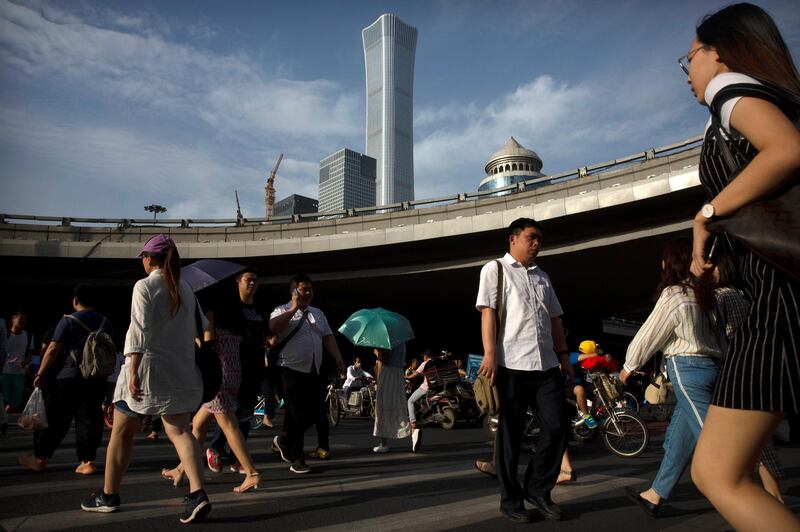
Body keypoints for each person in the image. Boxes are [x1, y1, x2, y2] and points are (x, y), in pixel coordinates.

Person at [680, 4, 800, 530]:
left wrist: (707, 214)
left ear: (718, 52)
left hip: (782, 297)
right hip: (776, 292)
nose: (689, 74)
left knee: (718, 472)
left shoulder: (728, 88)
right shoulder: (766, 91)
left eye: (690, 59)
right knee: (733, 469)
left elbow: (788, 149)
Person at [80, 235, 210, 523]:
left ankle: (108, 495)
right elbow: (205, 327)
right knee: (179, 431)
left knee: (122, 432)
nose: (141, 261)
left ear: (151, 259)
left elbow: (137, 330)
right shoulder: (186, 288)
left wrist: (134, 370)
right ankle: (197, 493)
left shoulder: (145, 285)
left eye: (143, 256)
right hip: (181, 370)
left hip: (146, 372)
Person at [476, 217, 573, 523]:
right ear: (513, 239)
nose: (536, 243)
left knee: (558, 426)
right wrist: (490, 354)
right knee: (510, 434)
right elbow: (488, 313)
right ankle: (510, 500)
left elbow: (555, 319)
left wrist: (564, 356)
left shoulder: (543, 277)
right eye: (531, 237)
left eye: (540, 239)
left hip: (546, 365)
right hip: (511, 364)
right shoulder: (496, 269)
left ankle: (538, 489)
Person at [620, 239, 724, 517]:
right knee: (682, 438)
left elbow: (650, 334)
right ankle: (654, 495)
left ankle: (746, 497)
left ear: (669, 265)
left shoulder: (674, 294)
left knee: (714, 441)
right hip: (713, 368)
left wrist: (628, 367)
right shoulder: (703, 294)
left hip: (686, 370)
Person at [163, 274, 261, 492]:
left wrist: (197, 338)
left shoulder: (211, 309)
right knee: (197, 425)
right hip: (234, 370)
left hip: (219, 373)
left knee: (228, 424)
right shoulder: (236, 309)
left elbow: (209, 344)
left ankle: (251, 472)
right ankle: (181, 470)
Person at [18, 285, 113, 475]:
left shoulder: (68, 320)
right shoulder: (105, 322)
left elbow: (53, 349)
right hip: (95, 379)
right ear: (94, 302)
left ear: (75, 300)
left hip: (67, 378)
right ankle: (88, 461)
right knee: (89, 419)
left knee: (54, 418)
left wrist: (40, 373)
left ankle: (40, 457)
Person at [269, 274, 345, 474]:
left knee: (311, 414)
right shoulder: (281, 310)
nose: (308, 293)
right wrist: (293, 308)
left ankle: (284, 440)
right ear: (293, 291)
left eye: (310, 289)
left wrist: (337, 357)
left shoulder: (318, 313)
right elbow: (273, 327)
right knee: (298, 414)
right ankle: (297, 457)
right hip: (289, 369)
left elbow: (328, 337)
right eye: (304, 289)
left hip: (313, 370)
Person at [206, 269, 269, 474]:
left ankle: (235, 458)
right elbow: (210, 329)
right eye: (248, 280)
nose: (252, 284)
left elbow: (263, 334)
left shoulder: (259, 309)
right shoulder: (227, 307)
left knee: (244, 413)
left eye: (255, 280)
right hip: (233, 364)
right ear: (237, 282)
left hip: (254, 363)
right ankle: (216, 448)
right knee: (228, 412)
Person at [372, 344, 412, 453]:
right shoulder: (402, 340)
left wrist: (377, 353)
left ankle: (384, 444)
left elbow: (383, 360)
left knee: (382, 408)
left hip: (387, 374)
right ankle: (413, 431)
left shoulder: (385, 341)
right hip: (398, 374)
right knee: (399, 406)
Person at [1, 312, 35, 413]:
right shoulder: (4, 334)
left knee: (16, 400)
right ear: (13, 320)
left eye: (25, 319)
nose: (23, 321)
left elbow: (30, 352)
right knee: (4, 399)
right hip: (4, 371)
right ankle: (3, 421)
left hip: (19, 373)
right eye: (20, 318)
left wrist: (26, 361)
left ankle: (3, 419)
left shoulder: (28, 335)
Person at [405, 350, 433, 431]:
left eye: (423, 356)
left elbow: (416, 374)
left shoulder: (425, 363)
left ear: (426, 356)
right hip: (435, 388)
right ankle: (422, 416)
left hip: (425, 387)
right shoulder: (436, 362)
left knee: (410, 401)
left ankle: (413, 421)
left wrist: (408, 377)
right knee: (424, 402)